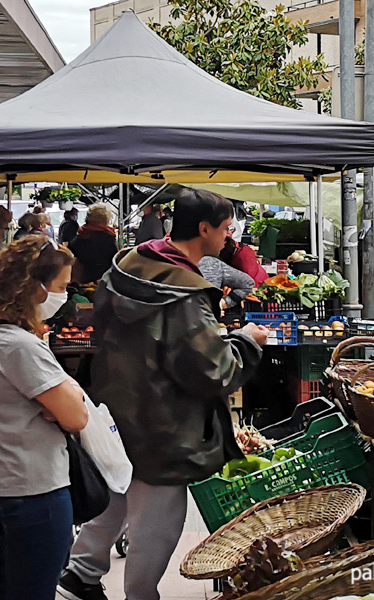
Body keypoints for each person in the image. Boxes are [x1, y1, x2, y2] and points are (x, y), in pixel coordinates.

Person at [57, 189, 267, 600]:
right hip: (165, 421)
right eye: (225, 229)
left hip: (118, 403)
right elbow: (214, 371)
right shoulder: (186, 293)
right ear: (204, 229)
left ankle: (80, 574)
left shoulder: (131, 262)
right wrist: (246, 341)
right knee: (160, 517)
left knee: (117, 489)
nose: (228, 237)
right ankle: (140, 594)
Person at [0, 236, 88, 600]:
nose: (64, 295)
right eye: (61, 287)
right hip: (34, 484)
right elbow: (77, 415)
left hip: (5, 477)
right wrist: (65, 396)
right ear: (34, 285)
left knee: (16, 585)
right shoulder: (16, 344)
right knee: (33, 588)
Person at [69, 204, 119, 283]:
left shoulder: (82, 233)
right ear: (105, 219)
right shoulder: (107, 236)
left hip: (81, 279)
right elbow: (115, 259)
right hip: (102, 280)